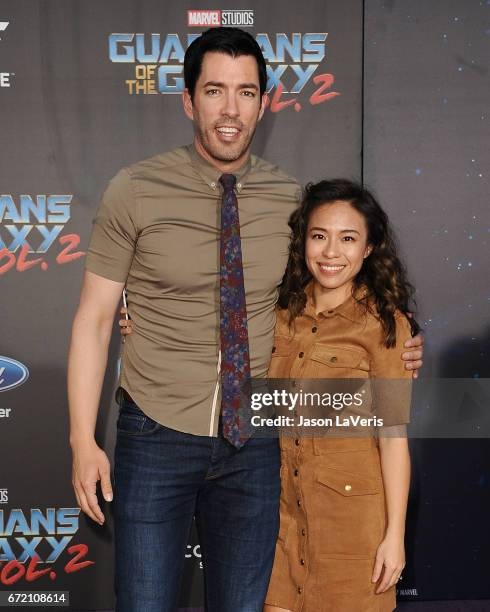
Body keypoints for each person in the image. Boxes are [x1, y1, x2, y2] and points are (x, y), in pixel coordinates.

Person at [69, 26, 423, 612]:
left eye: (246, 92)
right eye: (214, 91)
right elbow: (93, 320)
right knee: (144, 602)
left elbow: (338, 287)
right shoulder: (133, 190)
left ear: (266, 102)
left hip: (257, 440)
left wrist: (402, 339)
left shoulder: (292, 201)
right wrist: (82, 438)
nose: (230, 109)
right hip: (155, 431)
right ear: (188, 100)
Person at [262, 179, 416, 612]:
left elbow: (393, 439)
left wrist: (395, 537)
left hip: (353, 530)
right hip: (279, 524)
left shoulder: (384, 327)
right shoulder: (276, 316)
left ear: (368, 248)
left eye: (348, 238)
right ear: (303, 242)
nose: (331, 253)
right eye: (319, 236)